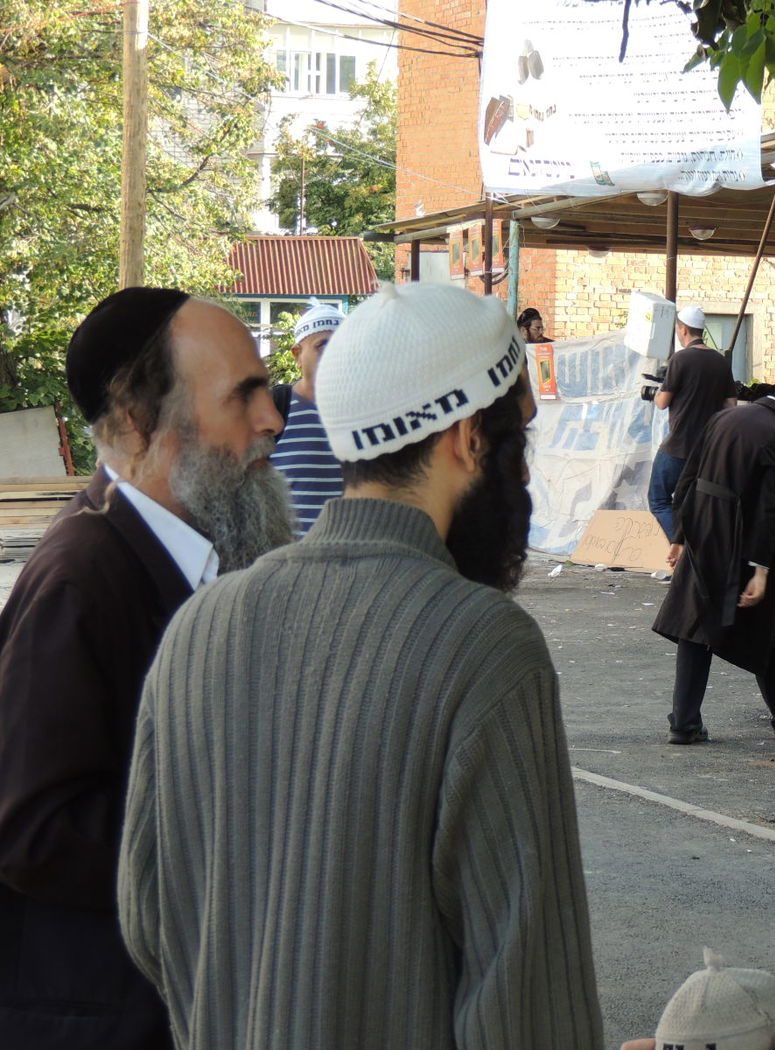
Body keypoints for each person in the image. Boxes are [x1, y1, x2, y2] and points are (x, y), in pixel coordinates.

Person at [118, 282, 603, 1050]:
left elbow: (149, 920)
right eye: (519, 441)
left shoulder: (198, 628)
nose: (524, 477)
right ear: (468, 437)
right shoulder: (483, 645)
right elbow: (527, 998)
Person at [0, 287, 291, 1050]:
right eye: (244, 396)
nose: (273, 420)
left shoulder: (183, 553)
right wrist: (242, 835)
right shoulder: (80, 578)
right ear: (138, 420)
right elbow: (32, 829)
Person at [652, 367, 775, 744]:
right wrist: (761, 569)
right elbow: (770, 508)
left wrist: (681, 534)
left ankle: (684, 723)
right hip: (743, 539)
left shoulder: (728, 416)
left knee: (695, 626)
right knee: (769, 629)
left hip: (706, 532)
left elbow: (690, 474)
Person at [648, 303, 735, 540]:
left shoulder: (681, 359)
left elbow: (662, 402)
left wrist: (657, 391)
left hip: (678, 446)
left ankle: (683, 548)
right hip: (707, 449)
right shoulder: (720, 361)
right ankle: (693, 556)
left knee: (658, 499)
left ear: (683, 329)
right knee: (692, 503)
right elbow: (731, 406)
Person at [269, 298, 345, 535]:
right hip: (288, 564)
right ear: (297, 355)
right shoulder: (275, 410)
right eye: (323, 347)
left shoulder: (363, 412)